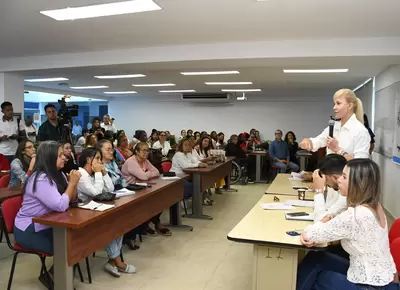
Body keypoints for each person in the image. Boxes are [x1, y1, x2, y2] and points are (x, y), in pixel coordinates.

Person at [297, 159, 399, 290]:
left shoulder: (355, 216)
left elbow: (310, 235)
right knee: (317, 258)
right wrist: (330, 218)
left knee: (318, 276)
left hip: (370, 286)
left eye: (344, 177)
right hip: (386, 280)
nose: (339, 180)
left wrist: (319, 193)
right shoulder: (375, 205)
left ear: (357, 183)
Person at [13, 141, 81, 262]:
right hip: (30, 229)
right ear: (49, 157)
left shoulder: (59, 174)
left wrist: (73, 185)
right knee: (67, 246)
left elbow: (72, 200)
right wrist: (71, 184)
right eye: (60, 155)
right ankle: (54, 277)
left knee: (77, 240)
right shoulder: (40, 178)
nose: (64, 158)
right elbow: (61, 205)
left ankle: (56, 275)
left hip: (49, 223)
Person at [77, 148, 136, 277]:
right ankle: (118, 262)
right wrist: (99, 173)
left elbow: (110, 189)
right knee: (108, 226)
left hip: (95, 210)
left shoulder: (92, 173)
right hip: (81, 214)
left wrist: (103, 173)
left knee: (119, 224)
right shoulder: (80, 174)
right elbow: (97, 193)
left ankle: (112, 260)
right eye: (97, 159)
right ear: (88, 160)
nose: (100, 162)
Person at [300, 89, 370, 160]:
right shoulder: (334, 126)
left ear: (350, 106)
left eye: (338, 103)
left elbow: (360, 164)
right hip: (330, 170)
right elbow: (318, 141)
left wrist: (338, 150)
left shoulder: (360, 131)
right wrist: (308, 141)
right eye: (334, 104)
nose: (334, 107)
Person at [121, 142, 172, 236]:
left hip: (141, 187)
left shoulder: (145, 161)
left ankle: (149, 223)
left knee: (160, 199)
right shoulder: (131, 161)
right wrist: (147, 174)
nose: (146, 153)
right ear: (136, 151)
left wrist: (146, 174)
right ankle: (153, 223)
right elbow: (143, 177)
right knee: (151, 201)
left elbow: (156, 171)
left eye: (147, 150)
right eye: (143, 150)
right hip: (129, 190)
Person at [311, 154, 348, 222]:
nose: (325, 182)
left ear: (334, 177)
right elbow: (327, 210)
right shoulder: (338, 189)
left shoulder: (347, 196)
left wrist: (319, 191)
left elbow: (320, 221)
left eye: (324, 178)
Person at [170, 138, 207, 204]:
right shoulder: (178, 154)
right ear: (181, 146)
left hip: (186, 176)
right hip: (177, 178)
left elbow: (195, 161)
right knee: (195, 186)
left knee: (201, 182)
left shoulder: (188, 154)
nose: (187, 147)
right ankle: (184, 199)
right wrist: (198, 165)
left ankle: (198, 200)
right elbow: (185, 166)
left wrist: (202, 163)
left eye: (189, 145)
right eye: (185, 145)